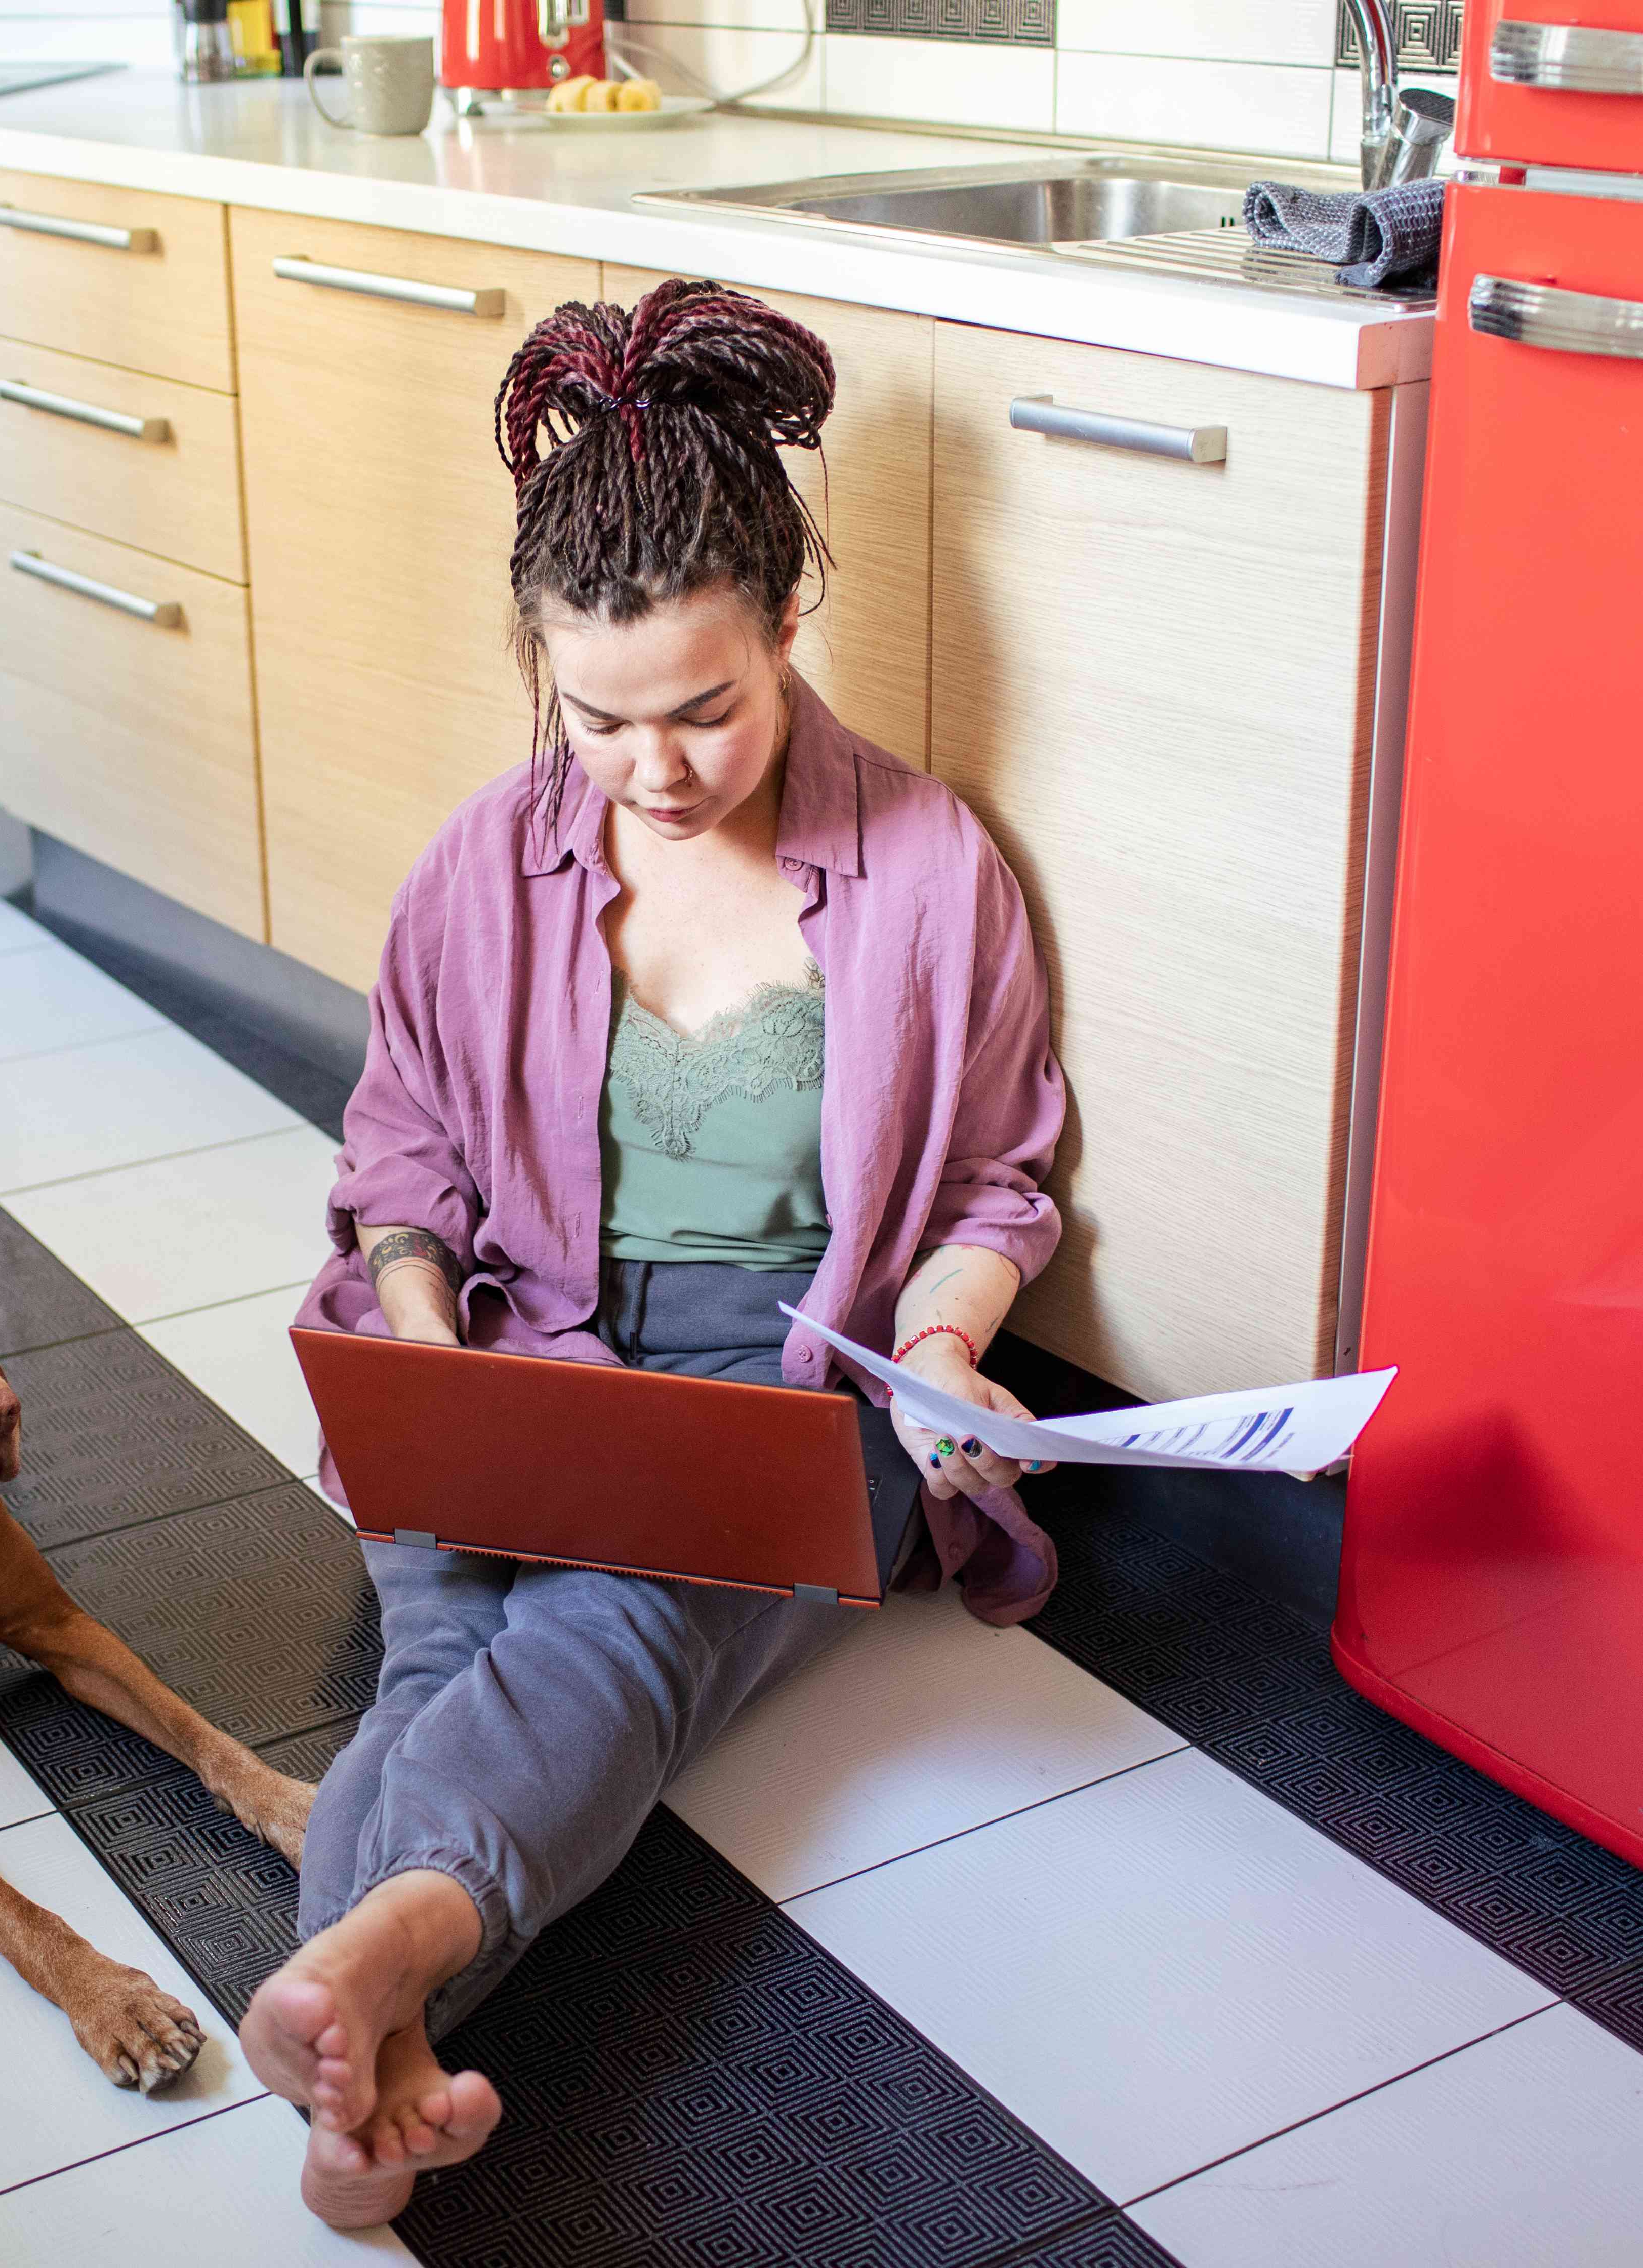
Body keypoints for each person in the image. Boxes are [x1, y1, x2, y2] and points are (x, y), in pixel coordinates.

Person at [240, 278, 1071, 2227]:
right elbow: (405, 1150)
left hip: (793, 1399)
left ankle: (364, 1982)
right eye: (599, 718)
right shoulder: (484, 862)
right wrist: (438, 1353)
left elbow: (1000, 1185)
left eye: (708, 708)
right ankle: (379, 2044)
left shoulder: (933, 872)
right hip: (522, 1352)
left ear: (790, 628)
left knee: (606, 1618)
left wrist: (946, 1349)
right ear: (539, 661)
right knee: (450, 1613)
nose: (658, 770)